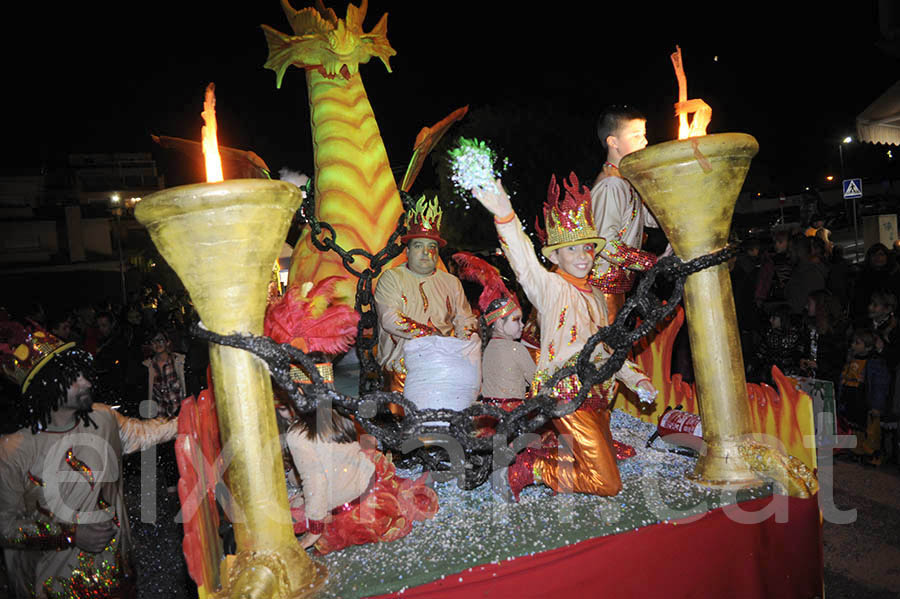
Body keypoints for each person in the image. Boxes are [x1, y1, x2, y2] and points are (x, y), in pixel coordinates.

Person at [471, 173, 657, 500]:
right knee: (607, 483)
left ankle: (532, 455)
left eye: (587, 247)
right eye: (572, 249)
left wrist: (635, 379)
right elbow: (525, 265)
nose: (583, 256)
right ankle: (529, 470)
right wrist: (505, 216)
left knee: (607, 460)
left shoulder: (597, 295)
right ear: (555, 256)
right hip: (566, 394)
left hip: (596, 394)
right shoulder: (553, 289)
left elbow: (604, 349)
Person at [0, 324, 177, 598]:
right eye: (74, 378)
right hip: (56, 586)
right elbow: (5, 527)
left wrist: (191, 416)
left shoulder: (102, 418)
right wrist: (70, 534)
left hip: (119, 576)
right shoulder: (13, 452)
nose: (88, 382)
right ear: (46, 387)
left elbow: (144, 433)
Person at [282, 397, 439, 555]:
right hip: (372, 487)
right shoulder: (335, 409)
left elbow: (315, 484)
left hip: (352, 511)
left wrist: (314, 531)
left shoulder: (297, 435)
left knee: (293, 511)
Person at [374, 195, 479, 393]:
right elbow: (390, 319)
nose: (426, 253)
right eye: (418, 246)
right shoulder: (391, 278)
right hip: (403, 359)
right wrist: (432, 338)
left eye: (432, 247)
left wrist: (466, 339)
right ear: (407, 251)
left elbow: (465, 318)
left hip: (447, 357)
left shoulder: (451, 282)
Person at [589, 105, 663, 321]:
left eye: (644, 134)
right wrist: (650, 262)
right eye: (636, 135)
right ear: (613, 142)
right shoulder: (612, 184)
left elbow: (649, 219)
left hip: (616, 287)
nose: (645, 141)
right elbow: (605, 243)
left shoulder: (625, 180)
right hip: (602, 289)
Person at [452, 252, 535, 410]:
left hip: (488, 413)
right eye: (516, 320)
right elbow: (537, 382)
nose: (523, 325)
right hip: (512, 415)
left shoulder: (487, 348)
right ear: (498, 324)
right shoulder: (516, 349)